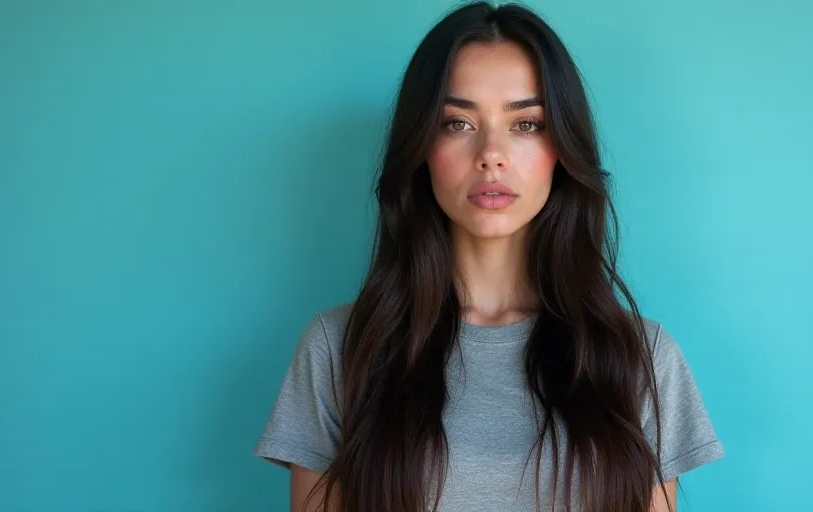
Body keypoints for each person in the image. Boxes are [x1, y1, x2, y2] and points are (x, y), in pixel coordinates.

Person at [254, 2, 723, 511]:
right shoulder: (340, 349)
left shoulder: (642, 359)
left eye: (527, 124)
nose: (491, 153)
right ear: (420, 149)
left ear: (563, 149)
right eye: (457, 122)